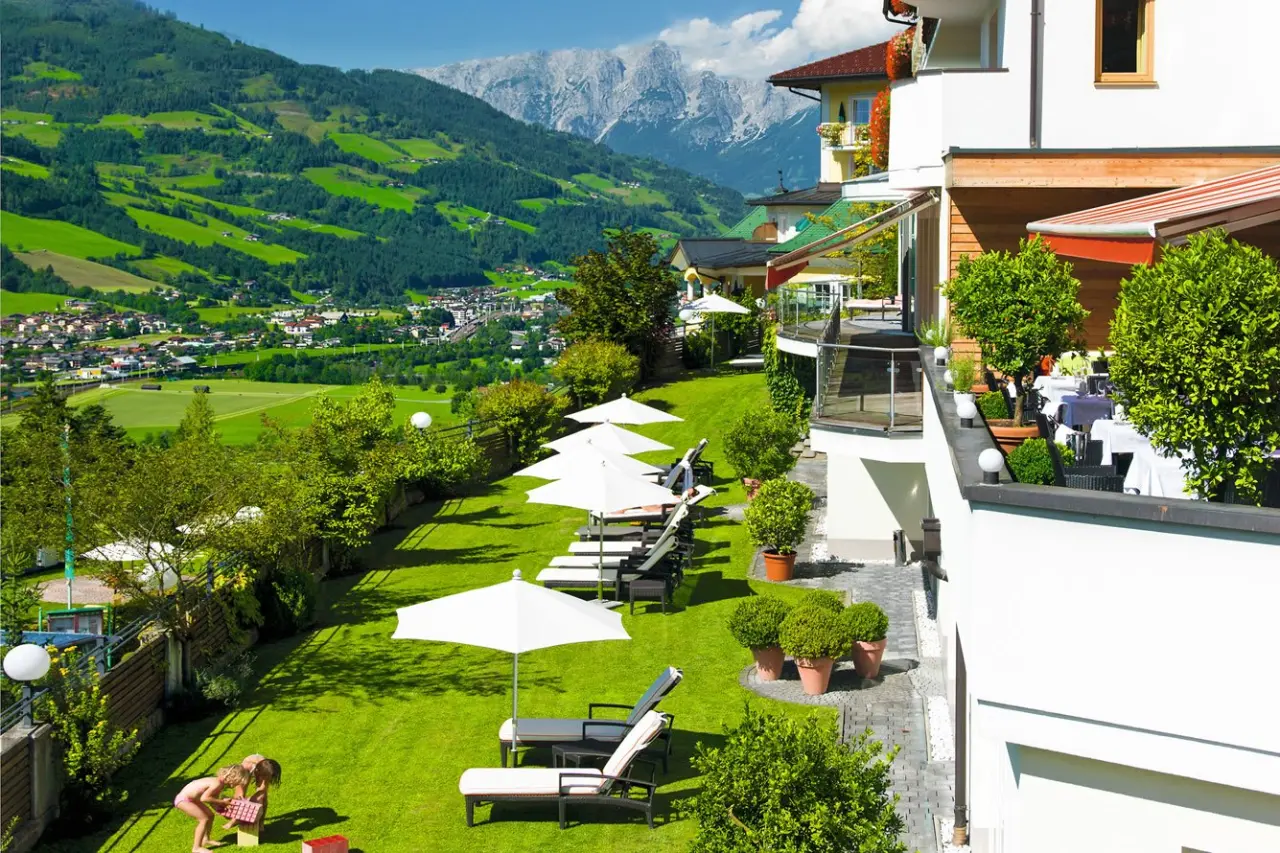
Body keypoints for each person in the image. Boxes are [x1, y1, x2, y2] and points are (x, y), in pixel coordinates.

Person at [173, 764, 252, 853]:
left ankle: (206, 839)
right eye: (236, 783)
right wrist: (223, 802)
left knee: (210, 816)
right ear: (233, 778)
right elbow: (205, 798)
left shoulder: (219, 783)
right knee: (204, 819)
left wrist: (222, 810)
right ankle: (196, 848)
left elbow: (212, 800)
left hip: (192, 799)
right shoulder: (217, 783)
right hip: (184, 800)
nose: (234, 786)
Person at [222, 755, 281, 831]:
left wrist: (253, 802)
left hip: (262, 769)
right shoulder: (245, 767)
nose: (264, 779)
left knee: (263, 797)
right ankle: (235, 819)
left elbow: (261, 792)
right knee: (239, 796)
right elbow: (239, 794)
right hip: (247, 769)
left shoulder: (267, 770)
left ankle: (261, 823)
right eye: (263, 777)